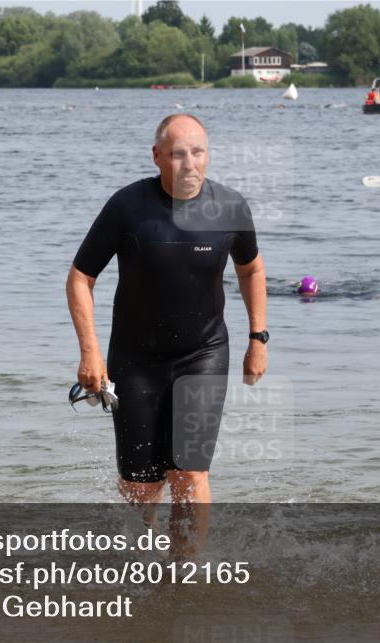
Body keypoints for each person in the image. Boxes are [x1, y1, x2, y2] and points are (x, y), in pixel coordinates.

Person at [66, 114, 268, 524]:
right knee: (141, 488)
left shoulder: (230, 207)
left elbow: (251, 270)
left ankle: (187, 563)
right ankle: (145, 553)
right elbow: (80, 278)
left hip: (203, 354)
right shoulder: (127, 207)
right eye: (178, 154)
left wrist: (258, 338)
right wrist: (90, 353)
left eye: (198, 152)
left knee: (189, 474)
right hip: (135, 359)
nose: (190, 163)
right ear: (157, 156)